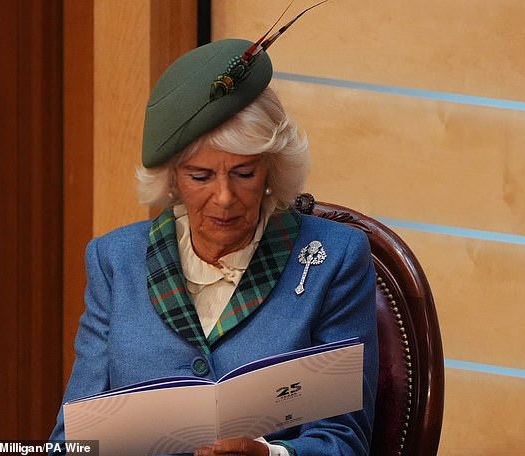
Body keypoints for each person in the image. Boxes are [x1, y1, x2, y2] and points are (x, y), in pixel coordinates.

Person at [49, 35, 378, 456]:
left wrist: (272, 455)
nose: (223, 198)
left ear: (272, 171)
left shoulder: (334, 258)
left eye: (243, 174)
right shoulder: (115, 260)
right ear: (170, 180)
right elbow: (75, 439)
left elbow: (344, 441)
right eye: (200, 177)